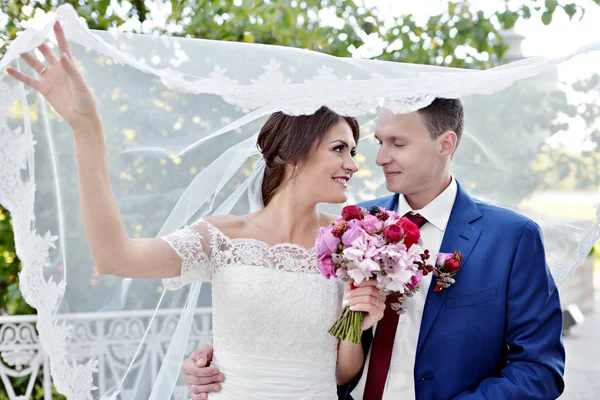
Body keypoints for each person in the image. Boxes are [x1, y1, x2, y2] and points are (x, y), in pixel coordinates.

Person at [6, 21, 387, 399]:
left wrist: (360, 319)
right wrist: (85, 127)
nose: (353, 165)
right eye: (339, 149)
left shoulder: (353, 245)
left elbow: (341, 372)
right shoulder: (221, 237)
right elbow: (114, 257)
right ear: (291, 153)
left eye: (352, 152)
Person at [185, 99, 566, 400]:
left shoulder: (512, 238)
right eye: (380, 142)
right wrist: (221, 362)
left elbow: (539, 369)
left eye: (398, 143)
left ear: (445, 144)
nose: (380, 157)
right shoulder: (345, 226)